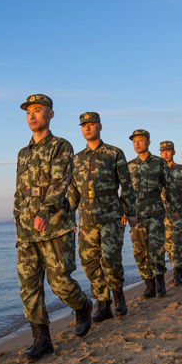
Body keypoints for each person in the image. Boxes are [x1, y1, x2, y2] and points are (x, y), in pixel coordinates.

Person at [14, 94, 93, 362]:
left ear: (50, 114)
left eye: (38, 111)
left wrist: (46, 211)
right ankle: (42, 340)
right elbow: (20, 192)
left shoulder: (61, 146)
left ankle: (83, 306)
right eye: (29, 112)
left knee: (60, 283)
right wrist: (17, 220)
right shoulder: (23, 153)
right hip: (26, 231)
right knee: (29, 286)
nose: (32, 116)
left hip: (55, 227)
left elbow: (61, 183)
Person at [68, 112, 137, 320]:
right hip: (87, 219)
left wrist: (131, 212)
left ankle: (119, 296)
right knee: (88, 261)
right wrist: (69, 217)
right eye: (84, 125)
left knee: (110, 258)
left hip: (111, 215)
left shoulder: (114, 153)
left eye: (91, 124)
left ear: (99, 126)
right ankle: (103, 303)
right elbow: (72, 190)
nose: (87, 128)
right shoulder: (77, 159)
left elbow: (126, 184)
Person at [126, 130, 181, 298]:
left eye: (140, 140)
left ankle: (160, 282)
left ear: (148, 142)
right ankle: (148, 285)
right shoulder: (129, 166)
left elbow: (170, 186)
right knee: (139, 251)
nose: (137, 143)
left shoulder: (159, 163)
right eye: (134, 141)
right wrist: (125, 212)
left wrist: (175, 208)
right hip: (136, 213)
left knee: (156, 249)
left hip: (155, 211)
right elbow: (126, 191)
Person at [159, 141, 182, 285]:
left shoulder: (181, 170)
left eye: (168, 150)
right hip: (163, 214)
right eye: (163, 151)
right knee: (168, 244)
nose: (165, 153)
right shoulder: (156, 170)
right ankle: (178, 268)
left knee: (177, 242)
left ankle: (176, 273)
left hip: (178, 211)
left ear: (174, 152)